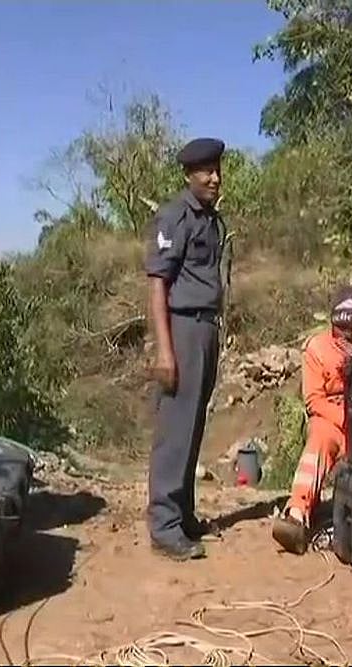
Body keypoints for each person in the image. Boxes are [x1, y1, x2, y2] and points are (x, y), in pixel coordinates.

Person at [144, 137, 228, 561]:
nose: (214, 177)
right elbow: (158, 283)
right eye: (205, 171)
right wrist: (165, 351)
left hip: (206, 330)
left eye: (216, 169)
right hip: (182, 328)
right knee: (174, 430)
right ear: (188, 174)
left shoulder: (211, 220)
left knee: (193, 425)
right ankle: (163, 525)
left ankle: (182, 513)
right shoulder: (175, 216)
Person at [271, 284, 352, 555]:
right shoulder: (316, 348)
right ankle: (297, 514)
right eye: (341, 329)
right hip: (334, 418)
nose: (346, 335)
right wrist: (348, 421)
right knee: (320, 441)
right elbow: (314, 400)